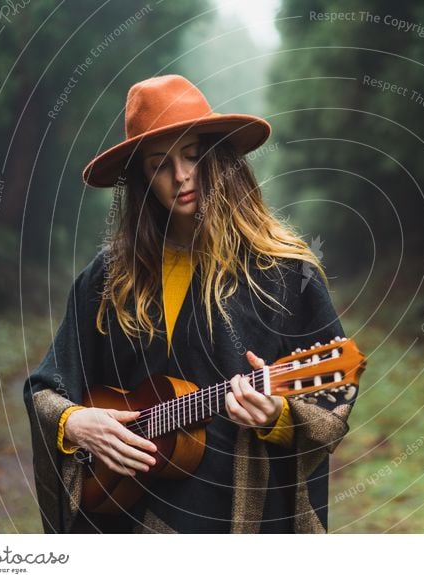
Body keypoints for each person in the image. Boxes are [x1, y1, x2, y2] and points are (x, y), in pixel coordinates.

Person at [22, 75, 357, 534]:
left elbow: (333, 395)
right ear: (143, 180)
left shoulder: (283, 273)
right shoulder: (108, 277)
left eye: (194, 156)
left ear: (219, 158)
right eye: (160, 165)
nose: (181, 176)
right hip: (124, 512)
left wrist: (278, 416)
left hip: (236, 516)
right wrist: (76, 423)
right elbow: (47, 385)